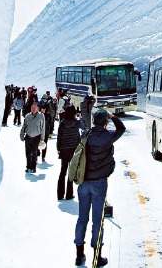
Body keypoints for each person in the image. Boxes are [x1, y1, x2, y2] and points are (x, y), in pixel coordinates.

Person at [74, 110, 125, 267]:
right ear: (105, 122)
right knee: (98, 219)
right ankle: (97, 256)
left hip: (84, 182)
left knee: (82, 218)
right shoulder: (108, 137)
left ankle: (79, 254)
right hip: (99, 183)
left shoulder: (86, 135)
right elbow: (121, 128)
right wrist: (112, 116)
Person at [57, 104, 81, 200]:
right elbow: (80, 134)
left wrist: (58, 148)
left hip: (64, 149)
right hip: (73, 150)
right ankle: (69, 194)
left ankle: (60, 194)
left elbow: (59, 138)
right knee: (71, 171)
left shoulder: (62, 123)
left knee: (63, 171)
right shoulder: (76, 123)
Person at [20, 102, 45, 173]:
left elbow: (43, 127)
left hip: (36, 137)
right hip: (28, 136)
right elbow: (24, 126)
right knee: (28, 153)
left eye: (35, 107)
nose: (33, 109)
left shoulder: (41, 116)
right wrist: (22, 135)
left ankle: (33, 167)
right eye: (32, 107)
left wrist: (42, 138)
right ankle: (28, 166)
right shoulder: (27, 116)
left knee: (34, 153)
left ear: (37, 108)